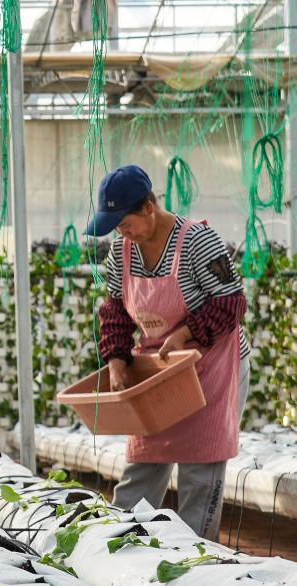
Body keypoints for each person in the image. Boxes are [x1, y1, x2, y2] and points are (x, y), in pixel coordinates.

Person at [88, 165, 250, 540]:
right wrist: (116, 359)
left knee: (200, 471)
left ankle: (194, 558)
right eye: (115, 226)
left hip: (212, 368)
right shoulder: (121, 251)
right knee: (143, 462)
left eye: (124, 223)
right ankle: (120, 547)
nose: (121, 232)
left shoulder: (198, 242)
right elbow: (114, 310)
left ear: (149, 206)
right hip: (159, 369)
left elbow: (232, 303)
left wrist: (185, 335)